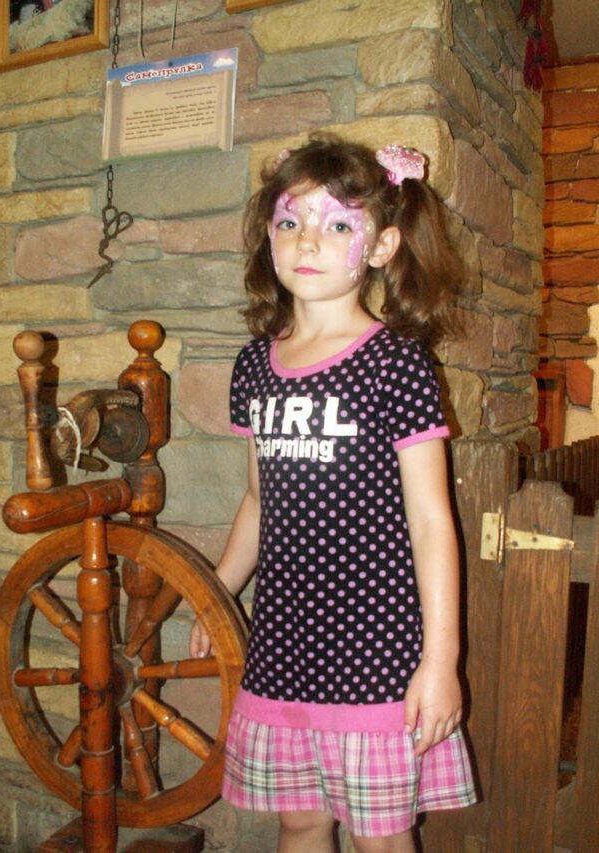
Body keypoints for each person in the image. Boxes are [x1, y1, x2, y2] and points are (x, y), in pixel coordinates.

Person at [190, 133, 476, 853]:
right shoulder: (255, 366)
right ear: (268, 237)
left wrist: (440, 661)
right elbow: (258, 500)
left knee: (381, 834)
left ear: (380, 246)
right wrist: (217, 590)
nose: (308, 240)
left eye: (338, 225)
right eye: (290, 221)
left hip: (377, 649)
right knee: (300, 822)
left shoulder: (395, 365)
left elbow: (432, 523)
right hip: (285, 644)